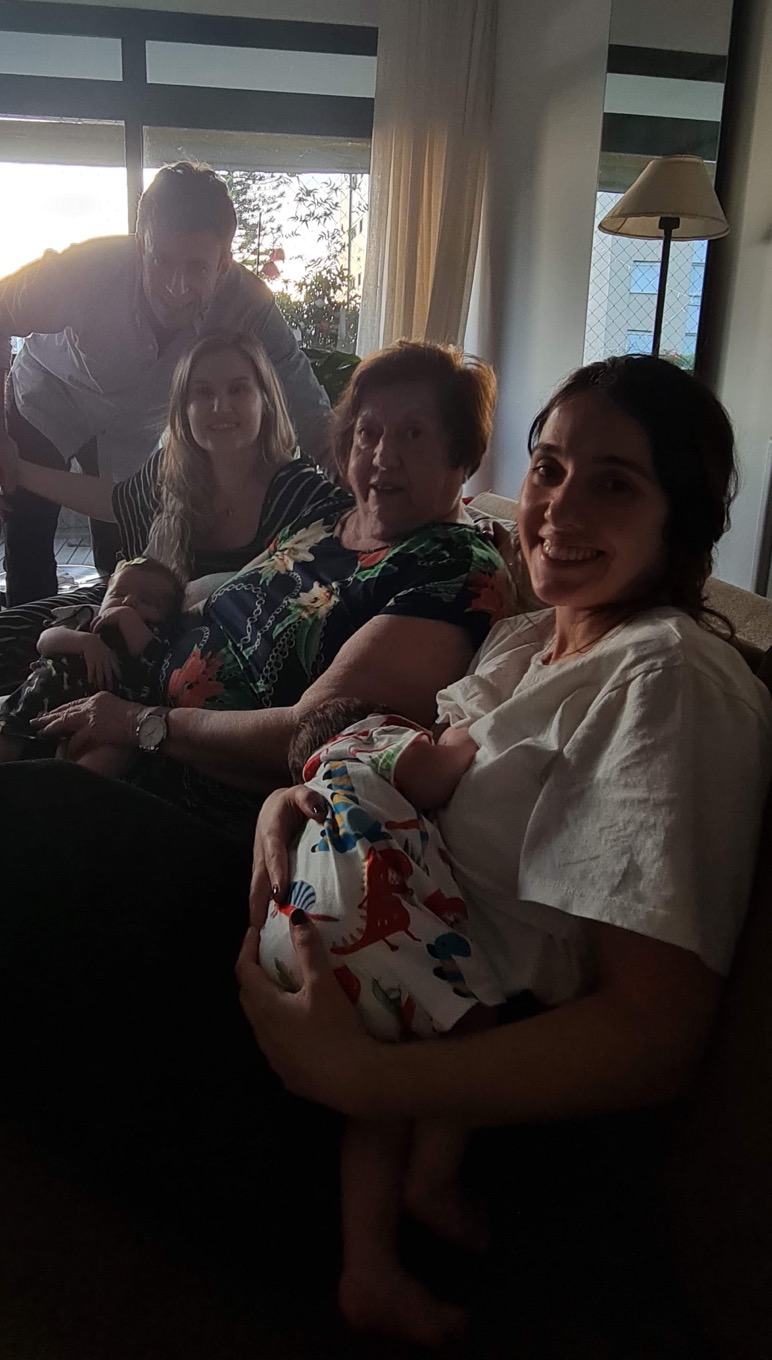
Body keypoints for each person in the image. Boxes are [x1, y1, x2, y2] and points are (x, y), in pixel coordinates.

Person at [0, 340, 509, 1269]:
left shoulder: (450, 566)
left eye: (415, 434)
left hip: (218, 814)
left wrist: (142, 724)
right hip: (142, 735)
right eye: (369, 431)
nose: (383, 455)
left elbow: (309, 731)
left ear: (463, 456)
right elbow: (194, 599)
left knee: (1, 832)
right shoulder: (328, 528)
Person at [239, 355, 772, 1343]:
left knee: (40, 836)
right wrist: (294, 807)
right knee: (38, 823)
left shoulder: (670, 678)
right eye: (550, 468)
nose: (560, 507)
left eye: (615, 483)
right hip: (361, 963)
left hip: (456, 1092)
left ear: (682, 519)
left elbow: (651, 1035)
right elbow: (399, 783)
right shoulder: (526, 644)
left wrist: (360, 1079)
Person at [0, 330, 313, 896]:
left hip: (177, 678)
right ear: (183, 409)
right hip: (122, 625)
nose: (219, 406)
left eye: (238, 389)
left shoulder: (295, 492)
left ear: (266, 398)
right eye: (201, 392)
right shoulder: (175, 473)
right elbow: (109, 499)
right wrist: (19, 470)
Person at [0, 160, 333, 603]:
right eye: (162, 261)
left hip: (133, 430)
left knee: (125, 552)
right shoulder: (82, 269)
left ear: (224, 263)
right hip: (48, 398)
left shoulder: (248, 302)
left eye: (197, 268)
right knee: (28, 533)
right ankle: (28, 637)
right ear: (142, 242)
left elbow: (305, 398)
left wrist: (351, 487)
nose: (176, 288)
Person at [260, 696, 494, 1336]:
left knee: (380, 1095)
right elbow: (437, 774)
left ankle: (368, 1273)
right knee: (472, 1028)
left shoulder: (312, 789)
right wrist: (464, 733)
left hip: (289, 938)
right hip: (358, 926)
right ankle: (432, 1183)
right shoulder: (369, 738)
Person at [0, 556, 183, 847]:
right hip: (31, 713)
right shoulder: (86, 618)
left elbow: (154, 663)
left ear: (167, 615)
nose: (129, 602)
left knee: (100, 765)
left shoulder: (155, 639)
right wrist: (85, 641)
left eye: (147, 601)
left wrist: (127, 619)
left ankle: (46, 828)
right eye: (119, 593)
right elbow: (45, 640)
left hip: (101, 731)